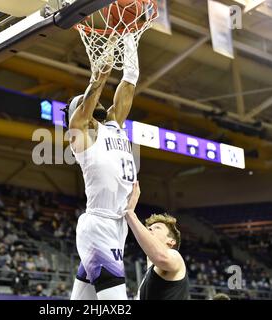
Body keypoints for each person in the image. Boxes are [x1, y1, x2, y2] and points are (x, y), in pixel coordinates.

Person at [64, 33, 140, 300]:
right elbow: (95, 86)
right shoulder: (79, 135)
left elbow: (129, 80)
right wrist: (106, 51)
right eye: (88, 105)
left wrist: (129, 38)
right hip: (100, 224)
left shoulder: (114, 126)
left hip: (119, 224)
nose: (96, 104)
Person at [125, 182, 189, 300]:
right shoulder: (150, 271)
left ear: (171, 241)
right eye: (149, 227)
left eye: (157, 228)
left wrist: (130, 214)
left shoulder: (174, 255)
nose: (149, 229)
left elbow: (161, 257)